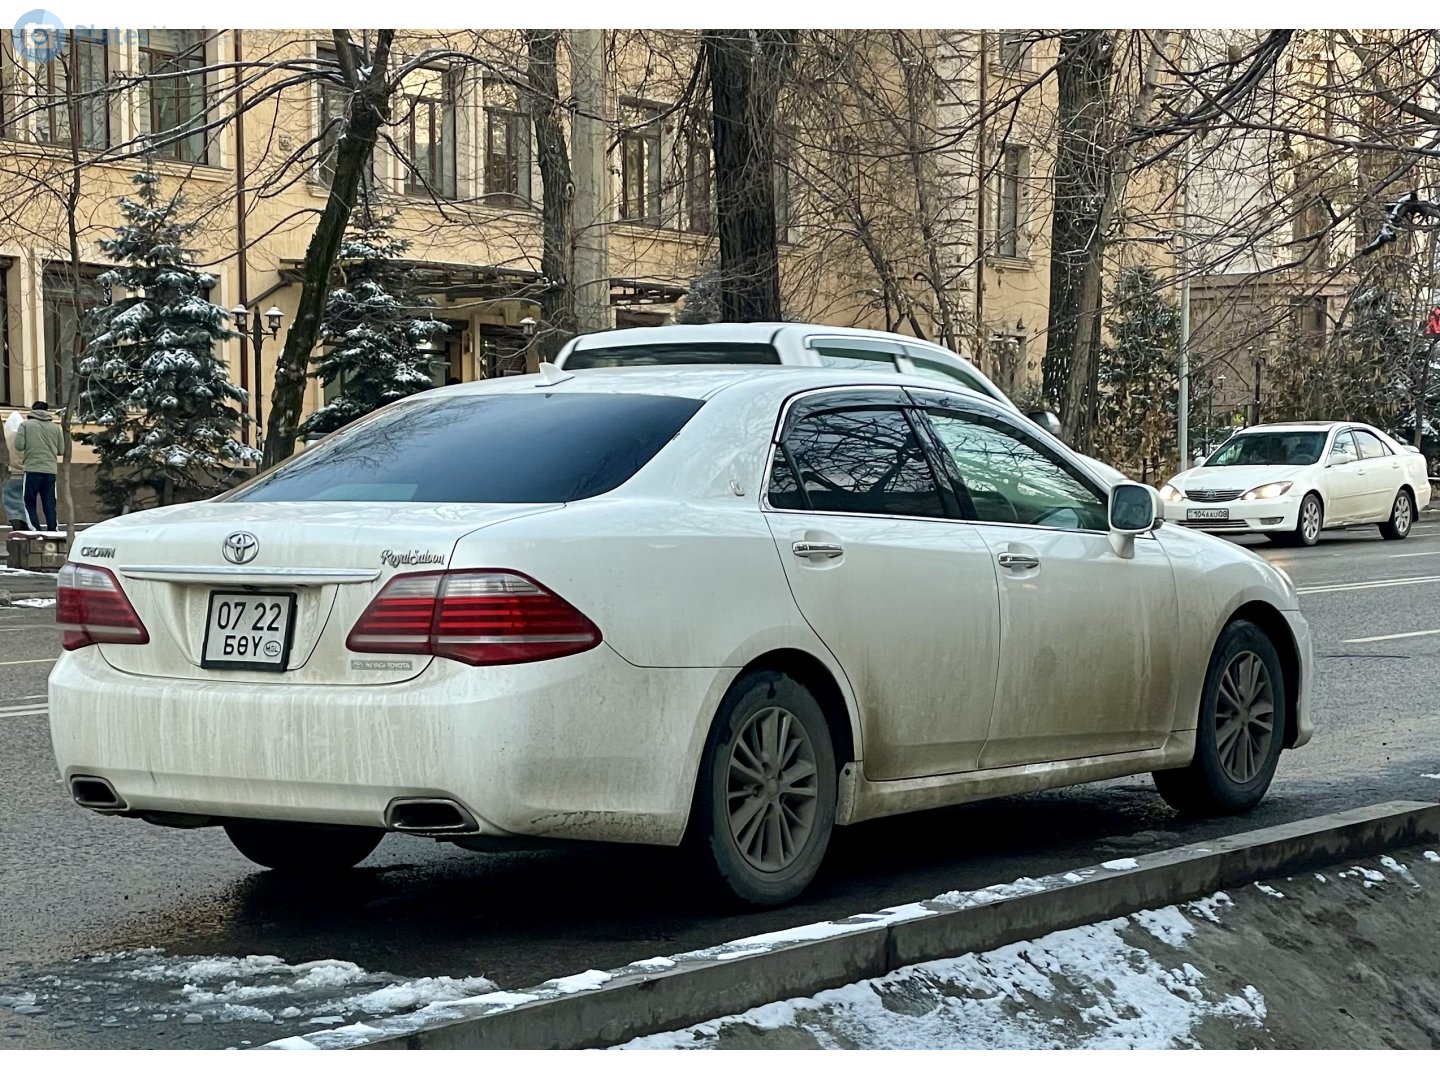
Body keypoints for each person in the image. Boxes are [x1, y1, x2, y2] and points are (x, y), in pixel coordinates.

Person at [14, 400, 64, 532]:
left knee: (29, 502)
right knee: (49, 503)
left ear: (33, 411)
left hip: (32, 470)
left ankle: (34, 528)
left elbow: (19, 446)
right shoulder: (56, 428)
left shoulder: (25, 425)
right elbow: (61, 450)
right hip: (50, 471)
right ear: (47, 411)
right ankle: (53, 528)